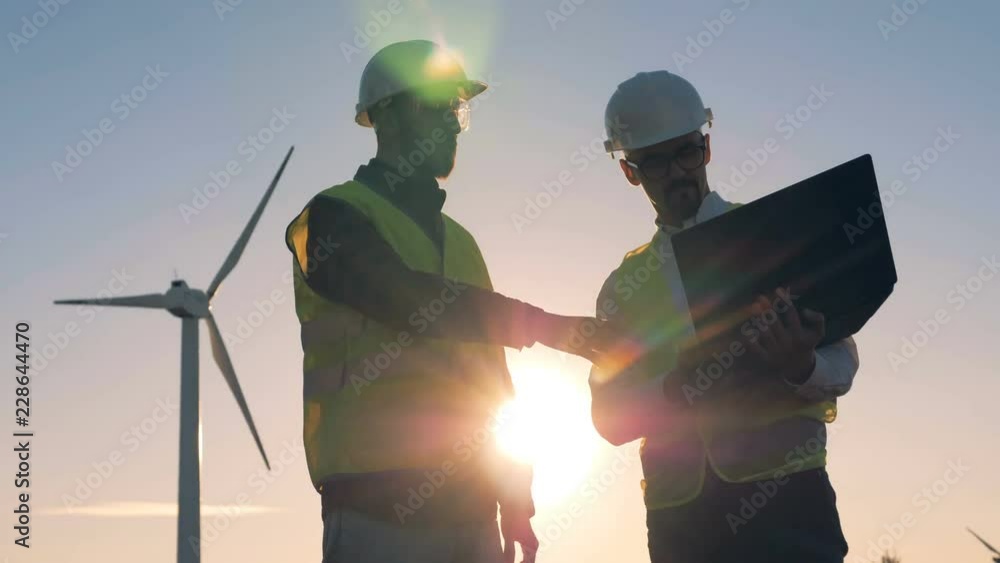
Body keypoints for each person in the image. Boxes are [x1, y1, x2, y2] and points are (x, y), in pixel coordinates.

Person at [284, 40, 602, 563]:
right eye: (438, 105)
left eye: (458, 108)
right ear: (386, 115)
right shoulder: (332, 217)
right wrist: (547, 326)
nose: (454, 124)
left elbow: (492, 382)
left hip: (472, 517)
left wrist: (514, 496)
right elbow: (406, 299)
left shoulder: (462, 242)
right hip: (374, 514)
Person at [588, 70, 860, 563]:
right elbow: (608, 417)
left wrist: (802, 365)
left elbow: (842, 360)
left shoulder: (776, 236)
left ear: (707, 148)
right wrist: (676, 388)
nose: (676, 172)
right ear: (631, 172)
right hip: (682, 524)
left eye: (686, 152)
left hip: (790, 506)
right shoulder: (622, 288)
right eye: (655, 161)